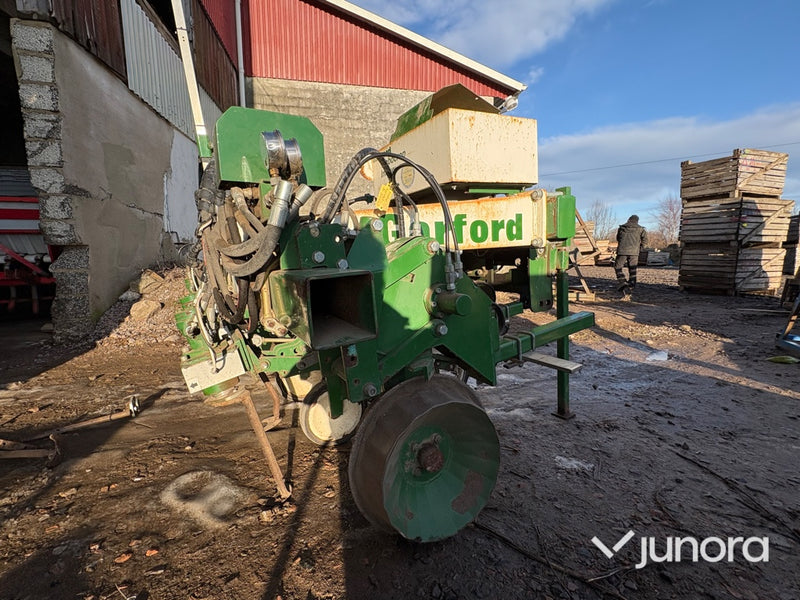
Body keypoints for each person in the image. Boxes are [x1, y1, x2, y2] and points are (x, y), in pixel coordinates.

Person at [615, 215, 647, 294]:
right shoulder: (641, 229)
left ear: (629, 219)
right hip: (634, 252)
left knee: (618, 267)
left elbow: (618, 238)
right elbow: (645, 241)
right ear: (637, 221)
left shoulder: (622, 228)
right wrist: (641, 248)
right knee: (632, 268)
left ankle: (622, 281)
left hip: (622, 251)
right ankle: (632, 285)